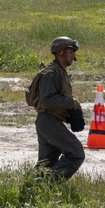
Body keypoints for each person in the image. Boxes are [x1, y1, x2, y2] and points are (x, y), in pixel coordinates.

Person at [34, 36, 85, 181]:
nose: (73, 56)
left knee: (46, 163)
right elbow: (47, 99)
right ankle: (47, 184)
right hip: (49, 120)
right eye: (71, 52)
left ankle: (31, 190)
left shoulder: (59, 72)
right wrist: (71, 103)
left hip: (49, 121)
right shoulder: (51, 73)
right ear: (61, 53)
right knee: (76, 153)